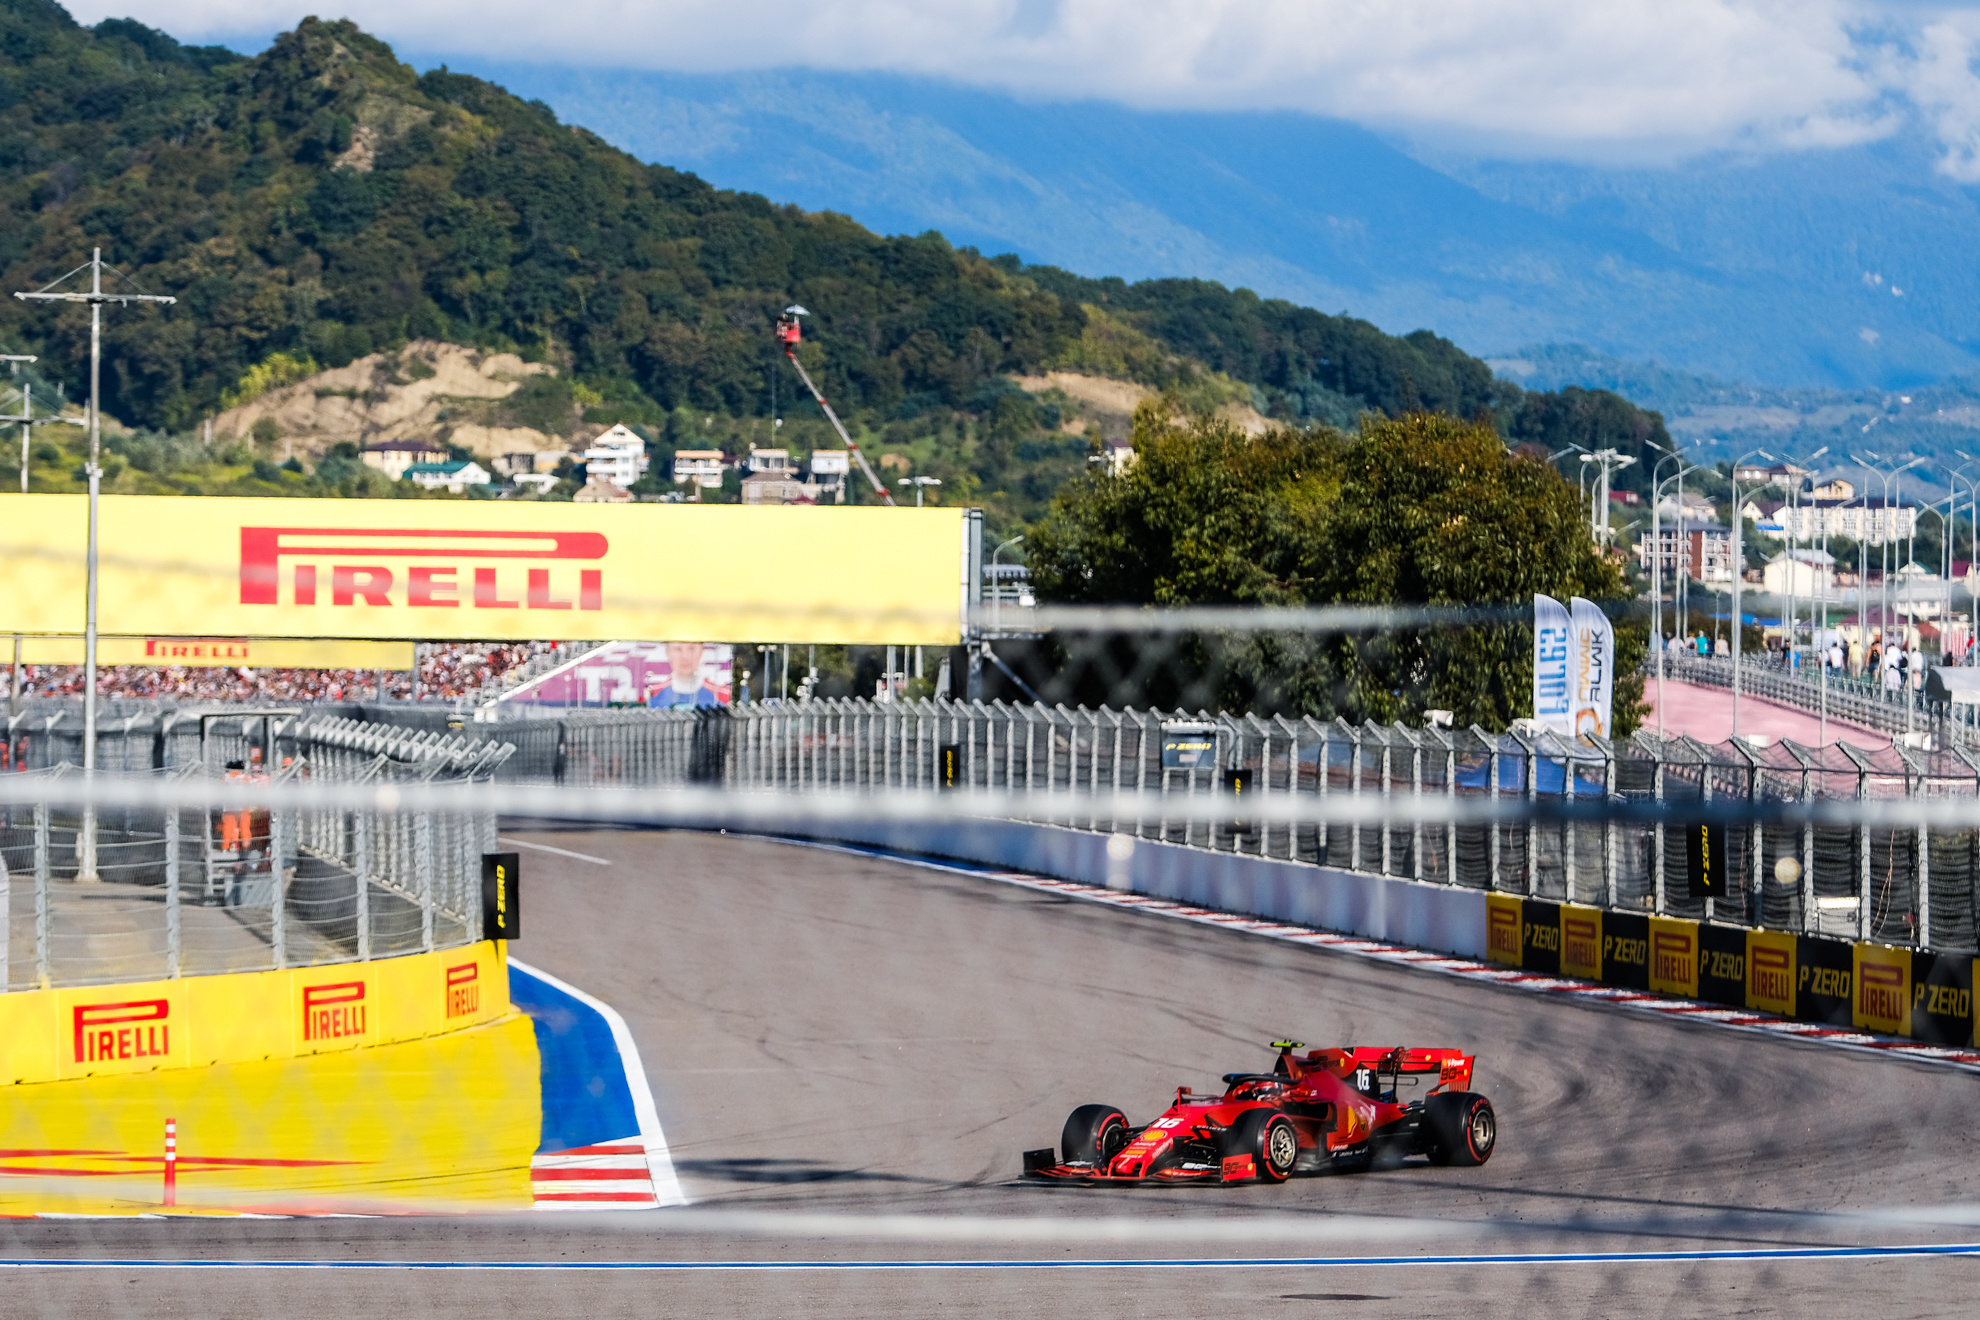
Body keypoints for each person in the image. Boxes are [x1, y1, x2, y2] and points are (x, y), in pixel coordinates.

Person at [648, 641, 721, 709]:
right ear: (668, 652)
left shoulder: (723, 696)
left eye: (692, 648)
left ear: (701, 651)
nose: (685, 657)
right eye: (678, 649)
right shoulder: (652, 695)